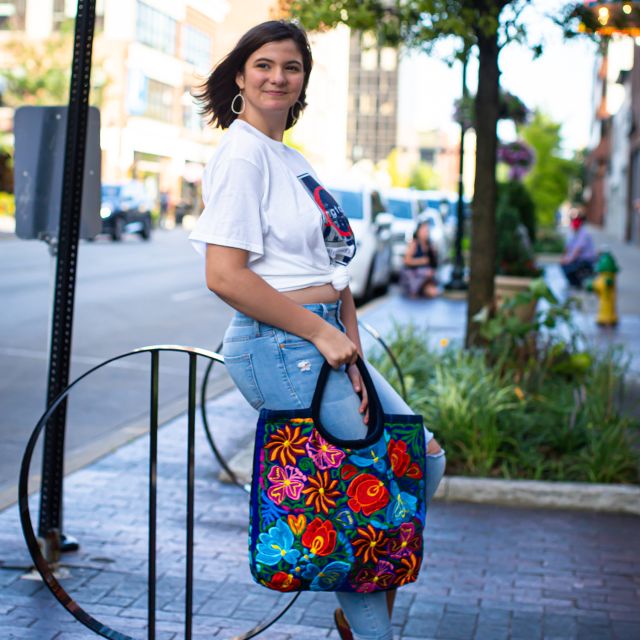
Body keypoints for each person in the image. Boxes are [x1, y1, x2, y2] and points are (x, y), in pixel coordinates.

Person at [188, 21, 445, 640]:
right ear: (239, 77)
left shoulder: (289, 158)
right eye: (264, 65)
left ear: (303, 80)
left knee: (423, 460)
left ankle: (358, 621)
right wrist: (323, 335)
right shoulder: (242, 153)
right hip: (282, 345)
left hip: (325, 340)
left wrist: (347, 343)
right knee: (360, 487)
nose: (278, 77)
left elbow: (333, 272)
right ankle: (370, 629)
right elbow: (224, 275)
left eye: (292, 67)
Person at [400, 220, 439, 299]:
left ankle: (424, 289)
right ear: (418, 231)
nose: (425, 233)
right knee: (430, 289)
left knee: (434, 292)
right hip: (414, 274)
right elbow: (406, 261)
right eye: (423, 230)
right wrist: (421, 261)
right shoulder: (414, 244)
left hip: (426, 275)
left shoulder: (429, 245)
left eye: (427, 231)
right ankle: (415, 290)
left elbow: (434, 263)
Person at [560, 209, 597, 288]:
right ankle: (574, 283)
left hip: (586, 260)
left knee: (568, 266)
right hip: (578, 258)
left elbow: (578, 250)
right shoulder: (572, 233)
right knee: (564, 265)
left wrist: (568, 260)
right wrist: (564, 257)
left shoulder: (584, 233)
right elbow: (567, 247)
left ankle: (578, 284)